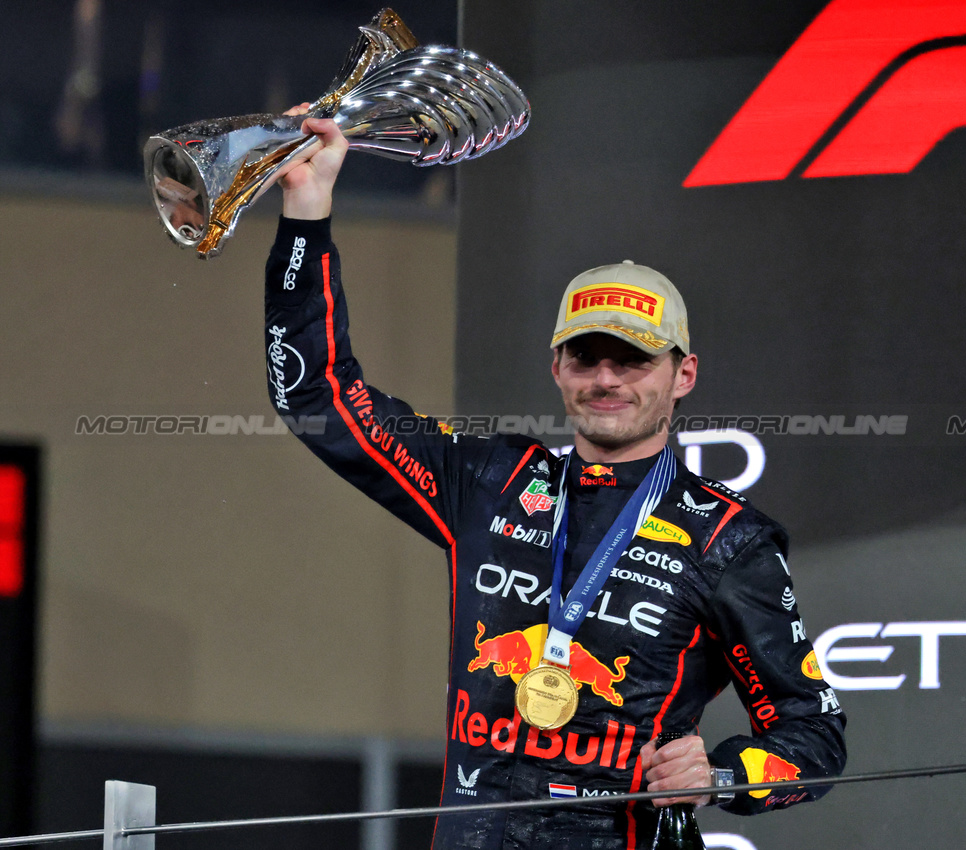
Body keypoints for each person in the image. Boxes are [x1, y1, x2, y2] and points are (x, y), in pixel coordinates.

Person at [265, 113, 846, 850]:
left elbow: (814, 733)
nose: (605, 379)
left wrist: (727, 774)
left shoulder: (729, 539)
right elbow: (316, 398)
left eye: (631, 359)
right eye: (585, 357)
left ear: (683, 375)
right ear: (557, 369)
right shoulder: (489, 479)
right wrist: (305, 213)